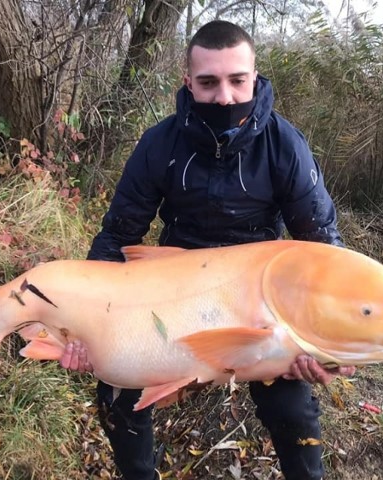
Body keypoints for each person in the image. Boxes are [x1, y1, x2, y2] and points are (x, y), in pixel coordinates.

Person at [60, 20, 355, 480]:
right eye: (209, 82)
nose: (225, 97)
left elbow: (323, 250)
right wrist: (86, 322)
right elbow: (117, 238)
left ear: (254, 77)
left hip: (257, 302)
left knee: (295, 410)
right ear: (188, 83)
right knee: (115, 391)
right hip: (175, 295)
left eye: (238, 81)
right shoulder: (160, 144)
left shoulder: (285, 146)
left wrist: (320, 343)